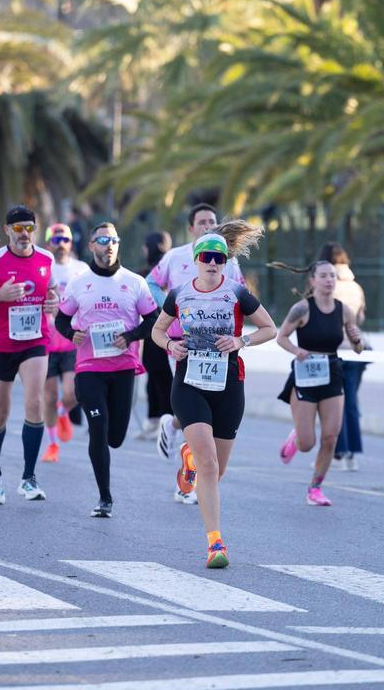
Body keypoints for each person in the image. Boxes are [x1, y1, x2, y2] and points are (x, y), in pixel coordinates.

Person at [151, 222, 277, 568]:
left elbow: (270, 328)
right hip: (189, 383)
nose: (212, 263)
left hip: (229, 384)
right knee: (208, 464)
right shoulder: (179, 293)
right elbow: (157, 331)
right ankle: (215, 544)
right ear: (195, 259)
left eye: (219, 257)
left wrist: (241, 341)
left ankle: (189, 460)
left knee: (216, 470)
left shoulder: (237, 292)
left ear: (226, 261)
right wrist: (171, 345)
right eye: (206, 256)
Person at [55, 222, 160, 517]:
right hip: (89, 367)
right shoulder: (79, 283)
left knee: (116, 437)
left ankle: (105, 476)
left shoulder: (134, 282)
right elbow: (62, 321)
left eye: (113, 239)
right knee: (98, 431)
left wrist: (130, 336)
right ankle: (104, 498)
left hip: (123, 366)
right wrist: (70, 334)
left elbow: (154, 321)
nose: (109, 245)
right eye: (102, 240)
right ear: (92, 246)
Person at [147, 203, 246, 504]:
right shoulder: (175, 257)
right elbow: (152, 282)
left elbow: (239, 299)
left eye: (212, 221)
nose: (207, 226)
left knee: (212, 417)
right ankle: (188, 471)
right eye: (202, 222)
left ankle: (182, 443)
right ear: (191, 228)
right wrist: (170, 307)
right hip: (182, 343)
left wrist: (240, 340)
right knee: (193, 403)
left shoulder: (229, 262)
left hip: (219, 348)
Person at [0, 205, 59, 504]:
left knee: (35, 401)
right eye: (18, 229)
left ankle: (29, 478)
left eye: (29, 228)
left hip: (35, 341)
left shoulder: (46, 258)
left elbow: (52, 292)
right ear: (7, 231)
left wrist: (53, 303)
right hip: (2, 344)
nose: (24, 234)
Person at [273, 261, 365, 505]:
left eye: (332, 276)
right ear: (312, 280)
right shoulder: (302, 309)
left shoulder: (344, 310)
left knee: (330, 437)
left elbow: (358, 348)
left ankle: (315, 488)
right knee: (307, 444)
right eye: (323, 276)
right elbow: (280, 338)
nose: (329, 280)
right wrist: (296, 350)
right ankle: (296, 438)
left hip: (332, 373)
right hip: (305, 375)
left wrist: (357, 340)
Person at [42, 222, 90, 463]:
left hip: (72, 341)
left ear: (71, 243)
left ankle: (63, 413)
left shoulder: (81, 269)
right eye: (56, 239)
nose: (61, 244)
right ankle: (52, 445)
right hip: (45, 342)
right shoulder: (41, 266)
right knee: (48, 397)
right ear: (48, 243)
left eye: (65, 240)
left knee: (73, 393)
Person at [318, 243, 368, 472]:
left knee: (333, 405)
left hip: (334, 352)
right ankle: (352, 455)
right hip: (356, 353)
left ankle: (337, 452)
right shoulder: (356, 287)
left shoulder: (326, 285)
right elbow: (360, 318)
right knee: (350, 404)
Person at [139, 230, 174, 440]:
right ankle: (155, 420)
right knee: (159, 377)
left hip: (159, 331)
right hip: (165, 330)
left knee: (160, 377)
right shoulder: (172, 267)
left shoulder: (151, 273)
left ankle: (164, 421)